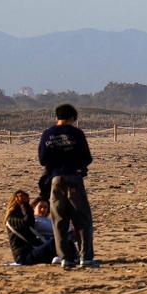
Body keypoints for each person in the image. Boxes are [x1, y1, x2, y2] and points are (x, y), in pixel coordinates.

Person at [39, 103, 96, 269]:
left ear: (56, 117)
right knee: (82, 219)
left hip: (56, 179)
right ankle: (85, 257)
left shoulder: (47, 134)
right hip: (74, 177)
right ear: (73, 118)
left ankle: (65, 257)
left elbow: (42, 159)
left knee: (59, 220)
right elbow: (87, 157)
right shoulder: (76, 133)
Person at [5, 190, 55, 265]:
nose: (27, 203)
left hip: (32, 251)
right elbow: (28, 222)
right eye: (24, 200)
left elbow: (30, 221)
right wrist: (24, 204)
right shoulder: (11, 219)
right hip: (24, 257)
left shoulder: (22, 216)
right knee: (53, 242)